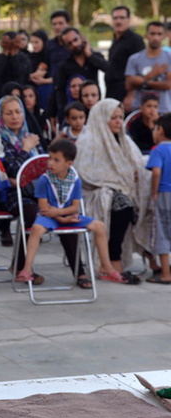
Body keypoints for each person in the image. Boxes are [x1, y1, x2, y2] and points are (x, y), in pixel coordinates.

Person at [0, 95, 89, 286]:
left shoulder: (31, 136)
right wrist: (25, 150)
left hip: (40, 189)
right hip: (14, 194)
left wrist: (25, 166)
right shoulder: (1, 141)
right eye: (9, 113)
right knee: (33, 215)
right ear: (1, 116)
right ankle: (24, 268)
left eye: (18, 112)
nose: (15, 116)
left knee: (64, 213)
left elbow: (46, 167)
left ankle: (79, 271)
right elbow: (13, 171)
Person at [17, 139, 127, 283]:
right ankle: (27, 269)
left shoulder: (75, 180)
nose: (50, 163)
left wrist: (60, 214)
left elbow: (75, 207)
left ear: (68, 164)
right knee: (36, 229)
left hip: (68, 215)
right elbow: (44, 209)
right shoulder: (44, 180)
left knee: (100, 226)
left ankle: (106, 267)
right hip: (49, 217)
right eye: (50, 158)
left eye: (56, 160)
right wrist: (62, 218)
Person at [74, 99, 153, 282]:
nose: (118, 122)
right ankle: (112, 260)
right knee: (123, 205)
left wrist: (134, 174)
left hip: (122, 189)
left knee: (145, 204)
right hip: (94, 192)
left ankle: (155, 261)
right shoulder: (87, 141)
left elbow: (137, 164)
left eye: (120, 117)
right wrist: (114, 181)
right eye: (113, 118)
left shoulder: (124, 140)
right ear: (102, 118)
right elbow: (85, 174)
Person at [55, 28, 109, 116]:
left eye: (75, 40)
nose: (74, 44)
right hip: (76, 111)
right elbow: (60, 90)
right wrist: (63, 110)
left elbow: (108, 69)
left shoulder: (95, 57)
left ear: (81, 37)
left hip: (94, 106)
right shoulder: (64, 65)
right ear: (66, 47)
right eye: (70, 43)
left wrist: (90, 55)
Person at [125, 21, 171, 114]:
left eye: (159, 34)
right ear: (146, 35)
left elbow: (168, 85)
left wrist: (142, 82)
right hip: (140, 110)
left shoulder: (169, 57)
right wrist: (151, 74)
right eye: (152, 34)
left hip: (163, 110)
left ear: (164, 36)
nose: (155, 38)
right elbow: (129, 85)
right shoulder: (134, 59)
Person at [146, 113, 171, 283]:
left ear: (160, 130)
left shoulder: (159, 150)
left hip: (163, 194)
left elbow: (156, 171)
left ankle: (165, 273)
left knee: (161, 230)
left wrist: (154, 192)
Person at [106, 6, 145, 102]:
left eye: (122, 18)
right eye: (115, 18)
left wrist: (131, 95)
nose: (118, 21)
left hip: (126, 93)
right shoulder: (115, 39)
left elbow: (140, 69)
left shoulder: (135, 40)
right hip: (112, 90)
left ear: (128, 20)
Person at [0, 31, 31, 100]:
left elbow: (20, 73)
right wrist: (5, 53)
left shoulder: (24, 58)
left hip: (18, 95)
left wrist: (14, 53)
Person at [28, 30, 53, 110]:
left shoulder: (50, 56)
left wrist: (43, 81)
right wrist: (31, 76)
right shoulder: (30, 57)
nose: (34, 45)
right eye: (32, 42)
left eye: (36, 42)